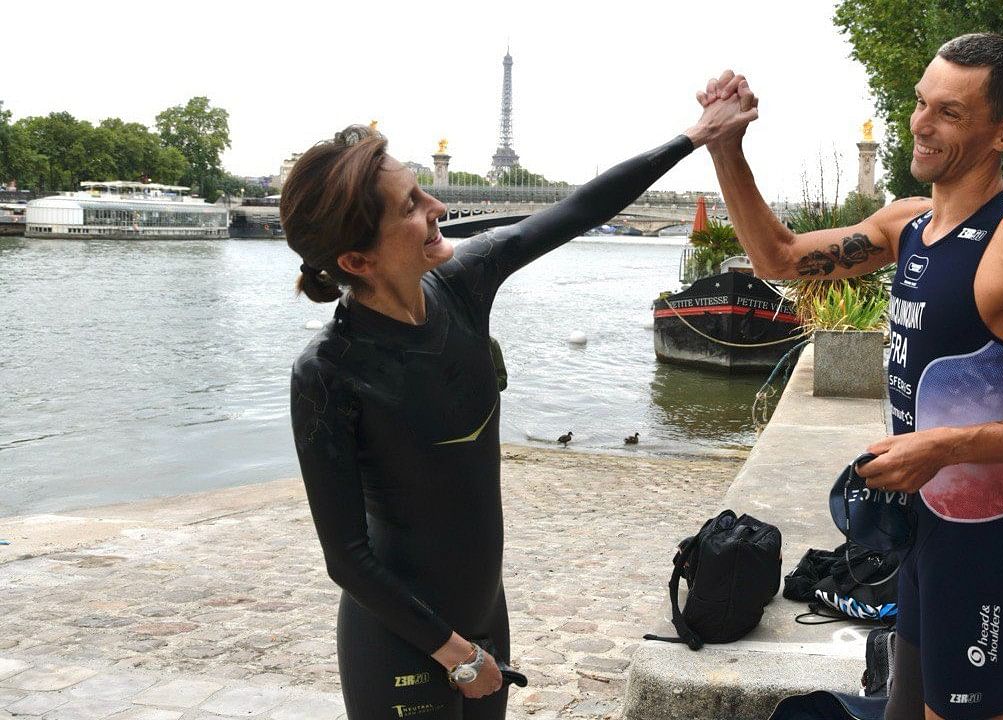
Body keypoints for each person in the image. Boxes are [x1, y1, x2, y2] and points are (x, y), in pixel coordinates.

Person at [698, 33, 1003, 720]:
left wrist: (945, 446)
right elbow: (777, 257)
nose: (922, 126)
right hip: (919, 526)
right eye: (920, 103)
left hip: (982, 539)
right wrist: (726, 147)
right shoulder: (909, 223)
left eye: (951, 113)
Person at [284, 104, 752, 719]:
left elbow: (579, 209)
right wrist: (456, 655)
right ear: (355, 261)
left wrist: (695, 137)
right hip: (399, 643)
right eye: (409, 206)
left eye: (422, 189)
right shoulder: (328, 372)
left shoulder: (461, 283)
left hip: (484, 618)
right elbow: (347, 558)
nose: (437, 209)